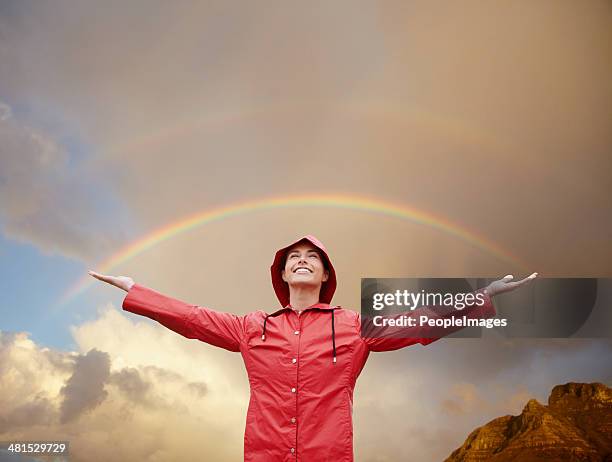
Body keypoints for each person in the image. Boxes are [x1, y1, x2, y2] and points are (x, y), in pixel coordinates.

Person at [89, 234, 537, 462]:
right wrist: (138, 291)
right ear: (282, 275)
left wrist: (484, 296)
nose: (302, 260)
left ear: (325, 275)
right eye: (293, 258)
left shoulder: (355, 326)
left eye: (313, 257)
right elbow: (192, 318)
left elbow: (420, 322)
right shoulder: (252, 327)